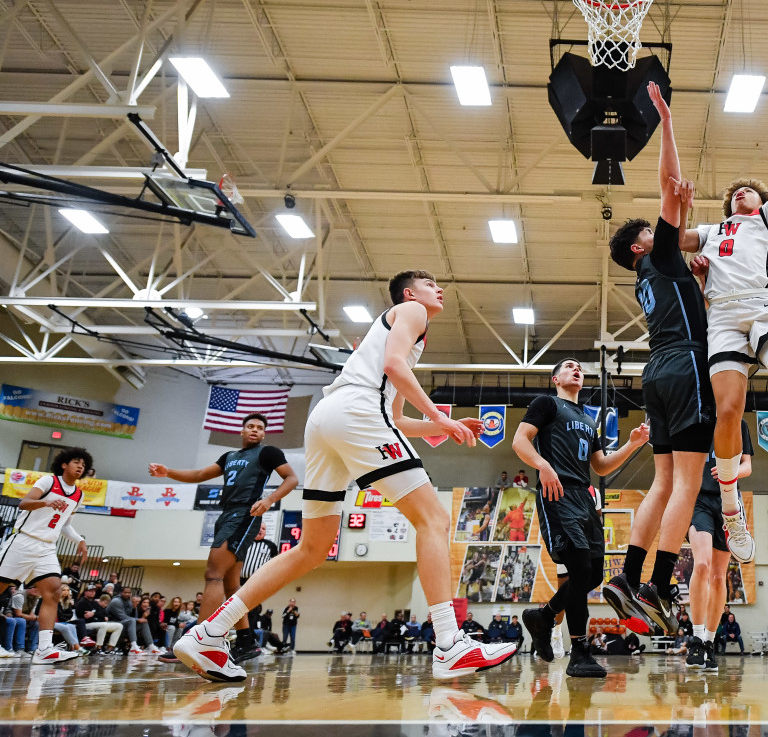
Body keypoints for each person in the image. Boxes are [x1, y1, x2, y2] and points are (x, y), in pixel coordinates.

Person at [173, 270, 517, 683]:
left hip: (328, 420)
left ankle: (209, 633)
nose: (438, 289)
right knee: (434, 519)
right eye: (429, 284)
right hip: (354, 412)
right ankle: (448, 643)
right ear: (409, 293)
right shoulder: (411, 311)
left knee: (312, 549)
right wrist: (438, 415)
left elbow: (393, 418)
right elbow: (391, 373)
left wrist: (442, 425)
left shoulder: (396, 333)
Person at [676, 63, 768, 552]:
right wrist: (677, 203)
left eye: (750, 190)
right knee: (728, 411)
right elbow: (671, 240)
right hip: (721, 315)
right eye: (736, 191)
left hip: (763, 307)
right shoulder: (713, 232)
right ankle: (731, 507)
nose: (743, 191)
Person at [603, 84, 721, 643]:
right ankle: (655, 583)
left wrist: (696, 279)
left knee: (665, 480)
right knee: (690, 486)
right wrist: (667, 124)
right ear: (640, 247)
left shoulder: (657, 275)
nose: (663, 228)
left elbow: (674, 200)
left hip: (656, 372)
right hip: (687, 367)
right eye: (652, 231)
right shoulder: (661, 254)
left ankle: (627, 575)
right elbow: (669, 188)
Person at [517, 357, 649, 678]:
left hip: (585, 498)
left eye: (580, 368)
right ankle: (579, 652)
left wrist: (632, 445)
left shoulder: (589, 421)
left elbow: (601, 466)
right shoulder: (546, 403)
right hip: (557, 493)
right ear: (555, 378)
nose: (577, 370)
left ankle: (544, 616)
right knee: (577, 569)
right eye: (569, 366)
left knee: (591, 577)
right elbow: (520, 440)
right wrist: (543, 465)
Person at [149, 413, 297, 663]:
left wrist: (270, 499)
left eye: (260, 428)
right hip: (226, 514)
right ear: (242, 431)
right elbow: (198, 475)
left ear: (264, 434)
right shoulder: (229, 457)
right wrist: (168, 472)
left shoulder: (268, 453)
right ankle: (246, 640)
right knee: (230, 585)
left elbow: (292, 478)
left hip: (245, 513)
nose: (255, 430)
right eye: (250, 426)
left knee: (213, 574)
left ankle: (199, 639)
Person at [0, 447, 90, 665]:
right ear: (64, 464)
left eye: (84, 465)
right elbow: (24, 503)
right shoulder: (48, 482)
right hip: (23, 541)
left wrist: (79, 540)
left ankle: (44, 649)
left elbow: (64, 524)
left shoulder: (78, 494)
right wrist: (46, 502)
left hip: (47, 546)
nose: (80, 467)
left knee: (54, 592)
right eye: (76, 462)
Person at [684, 420, 753, 672]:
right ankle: (696, 639)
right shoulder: (694, 420)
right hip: (698, 499)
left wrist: (732, 473)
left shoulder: (738, 423)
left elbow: (747, 466)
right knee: (701, 564)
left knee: (718, 576)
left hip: (728, 500)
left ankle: (710, 643)